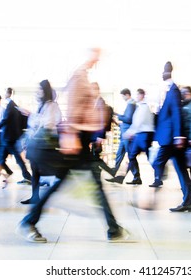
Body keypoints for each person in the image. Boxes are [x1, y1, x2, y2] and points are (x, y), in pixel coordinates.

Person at [16, 48, 131, 243]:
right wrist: (76, 132)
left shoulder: (83, 76)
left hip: (81, 142)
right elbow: (73, 109)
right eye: (94, 53)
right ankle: (29, 221)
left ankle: (113, 229)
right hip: (77, 141)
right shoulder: (79, 76)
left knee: (85, 186)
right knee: (80, 186)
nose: (97, 57)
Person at [149, 61, 191, 213]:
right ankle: (188, 201)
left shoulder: (173, 90)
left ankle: (161, 177)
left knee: (157, 162)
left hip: (171, 139)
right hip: (171, 138)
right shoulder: (169, 91)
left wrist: (178, 135)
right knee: (181, 169)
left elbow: (176, 113)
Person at [18, 79, 62, 204]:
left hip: (45, 142)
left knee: (48, 170)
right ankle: (35, 197)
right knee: (35, 169)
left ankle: (49, 195)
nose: (38, 91)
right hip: (38, 142)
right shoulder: (42, 105)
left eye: (40, 89)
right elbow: (37, 122)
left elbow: (48, 123)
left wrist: (33, 117)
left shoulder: (52, 105)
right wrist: (31, 115)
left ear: (45, 90)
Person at [0, 88, 32, 185]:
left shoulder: (10, 106)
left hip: (7, 137)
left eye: (5, 92)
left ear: (8, 93)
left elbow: (5, 120)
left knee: (3, 157)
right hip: (10, 136)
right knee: (2, 157)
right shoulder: (13, 105)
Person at [122, 88, 155, 185]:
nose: (136, 97)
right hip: (141, 135)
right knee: (132, 155)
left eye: (137, 95)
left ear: (142, 95)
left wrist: (129, 133)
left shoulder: (143, 107)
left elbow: (138, 122)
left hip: (143, 135)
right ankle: (137, 178)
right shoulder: (140, 107)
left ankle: (158, 175)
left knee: (149, 157)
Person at [105, 88, 136, 184]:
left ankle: (135, 176)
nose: (122, 98)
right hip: (124, 134)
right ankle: (115, 173)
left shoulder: (131, 104)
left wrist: (118, 116)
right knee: (119, 154)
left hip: (127, 134)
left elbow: (128, 119)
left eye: (123, 96)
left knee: (130, 156)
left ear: (127, 95)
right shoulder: (130, 104)